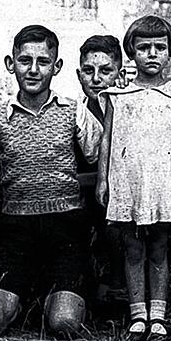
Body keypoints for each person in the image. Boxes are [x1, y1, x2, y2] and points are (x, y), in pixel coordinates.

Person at [0, 25, 102, 335]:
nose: (33, 70)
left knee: (64, 323)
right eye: (24, 60)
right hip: (15, 234)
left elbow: (105, 159)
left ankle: (56, 298)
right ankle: (21, 300)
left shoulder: (74, 111)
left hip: (65, 232)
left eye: (43, 62)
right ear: (10, 63)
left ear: (56, 67)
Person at [96, 15, 171, 339]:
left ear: (170, 52)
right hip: (129, 182)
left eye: (159, 47)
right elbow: (108, 140)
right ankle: (137, 314)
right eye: (144, 48)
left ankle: (158, 315)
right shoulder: (118, 97)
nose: (152, 54)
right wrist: (103, 180)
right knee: (132, 247)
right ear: (132, 52)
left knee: (158, 248)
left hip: (163, 184)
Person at [75, 35, 127, 307]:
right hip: (88, 199)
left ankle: (121, 289)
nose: (96, 79)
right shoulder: (76, 115)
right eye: (88, 71)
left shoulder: (128, 106)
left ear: (119, 72)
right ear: (78, 74)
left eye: (105, 71)